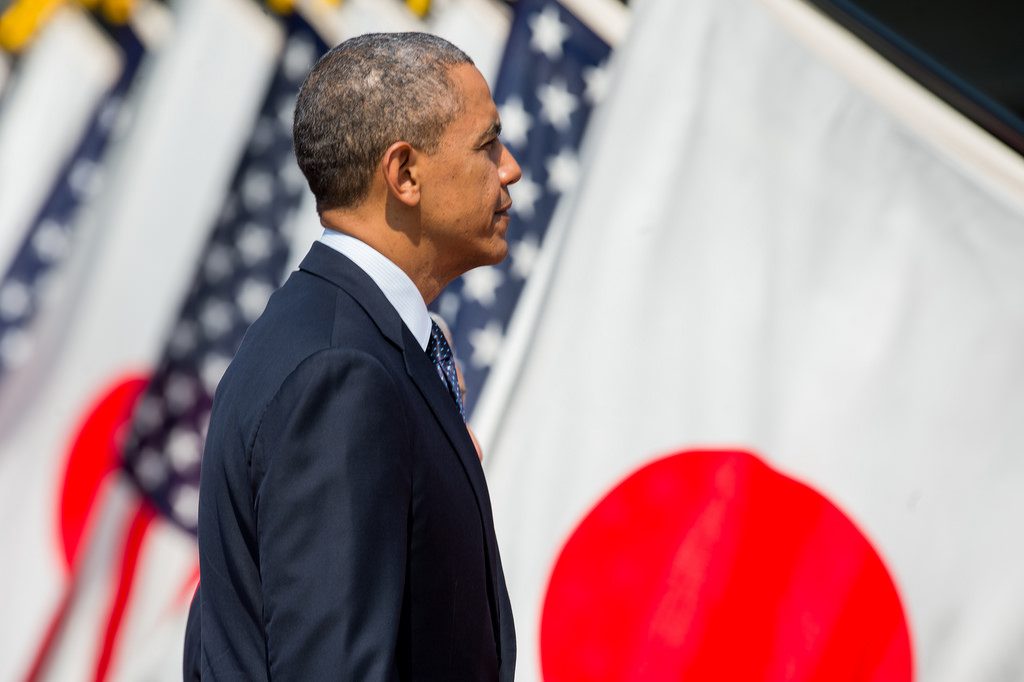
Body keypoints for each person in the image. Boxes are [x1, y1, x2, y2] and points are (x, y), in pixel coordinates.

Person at [186, 32, 521, 680]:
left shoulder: (337, 339)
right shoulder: (341, 375)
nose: (509, 169)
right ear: (404, 174)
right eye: (487, 145)